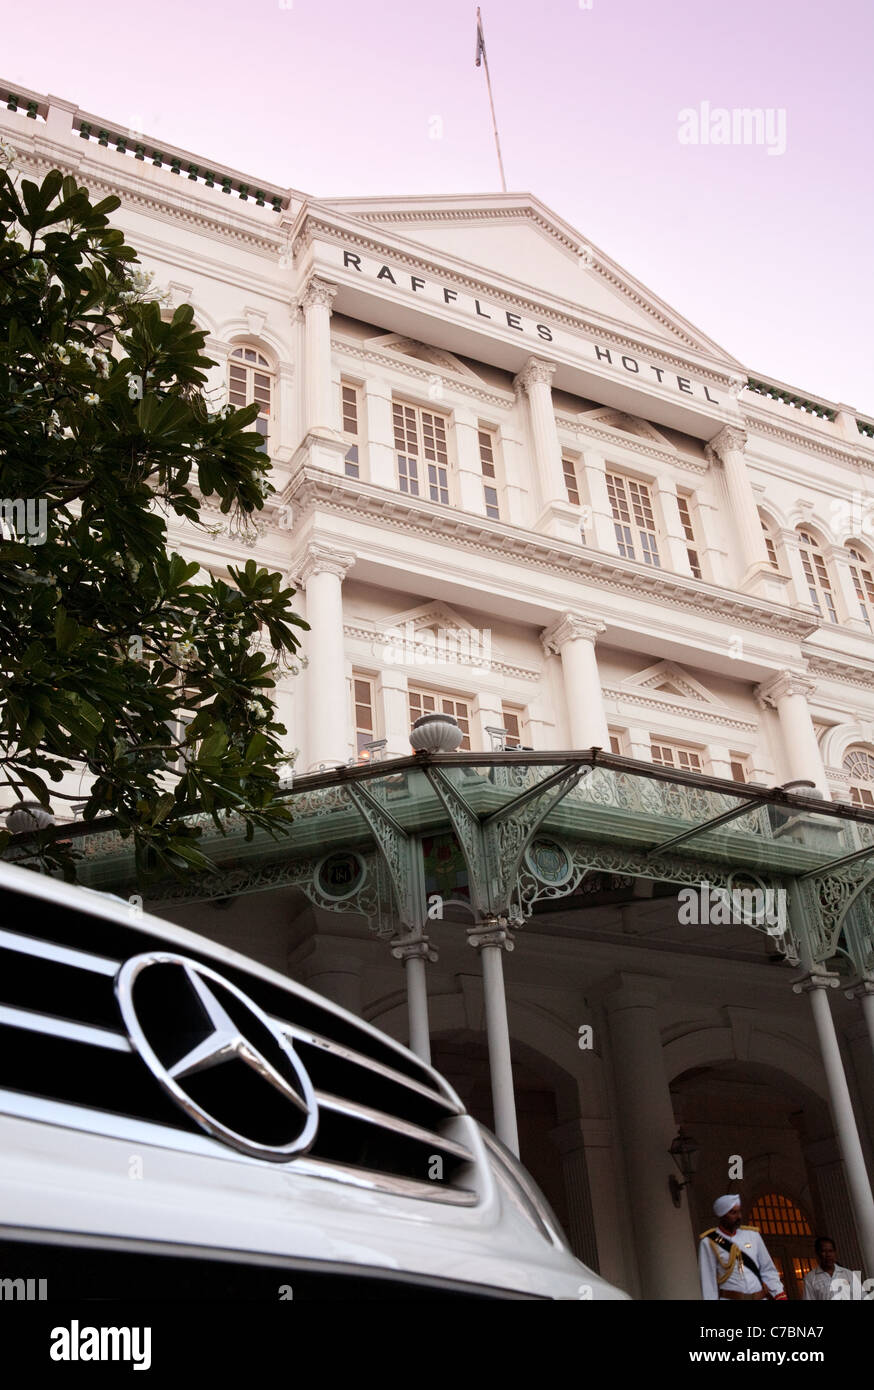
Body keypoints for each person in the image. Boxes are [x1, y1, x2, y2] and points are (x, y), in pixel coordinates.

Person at [699, 1195, 788, 1301]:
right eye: (733, 1213)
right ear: (722, 1215)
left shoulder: (752, 1235)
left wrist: (779, 1293)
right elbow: (708, 1282)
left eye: (739, 1211)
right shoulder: (709, 1242)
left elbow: (767, 1268)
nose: (739, 1216)